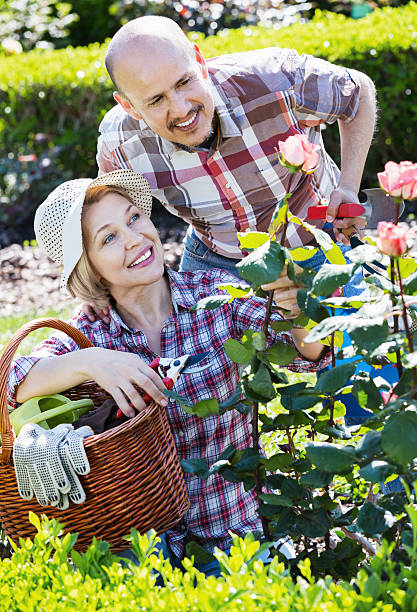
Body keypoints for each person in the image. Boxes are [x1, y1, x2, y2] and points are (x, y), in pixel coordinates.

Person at [7, 170, 330, 576]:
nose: (134, 239)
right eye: (108, 238)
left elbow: (309, 355)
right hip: (143, 547)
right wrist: (90, 362)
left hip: (235, 532)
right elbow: (12, 380)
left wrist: (295, 309)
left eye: (134, 219)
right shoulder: (90, 333)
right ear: (89, 267)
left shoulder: (213, 296)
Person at [97, 15, 376, 276]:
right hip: (215, 261)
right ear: (129, 106)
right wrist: (98, 285)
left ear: (199, 61)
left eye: (184, 82)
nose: (181, 109)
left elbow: (358, 92)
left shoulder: (274, 79)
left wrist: (349, 186)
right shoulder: (120, 144)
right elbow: (105, 218)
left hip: (319, 243)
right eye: (156, 100)